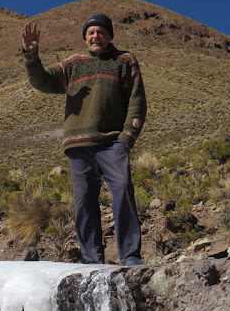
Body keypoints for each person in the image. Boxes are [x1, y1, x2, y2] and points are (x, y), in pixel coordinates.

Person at [21, 14, 147, 266]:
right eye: (90, 32)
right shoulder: (72, 64)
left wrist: (126, 138)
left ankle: (130, 257)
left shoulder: (125, 61)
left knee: (122, 190)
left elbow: (137, 102)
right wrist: (31, 55)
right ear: (85, 38)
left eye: (100, 31)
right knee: (84, 203)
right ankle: (92, 261)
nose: (95, 36)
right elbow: (42, 82)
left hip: (113, 143)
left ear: (110, 35)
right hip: (79, 146)